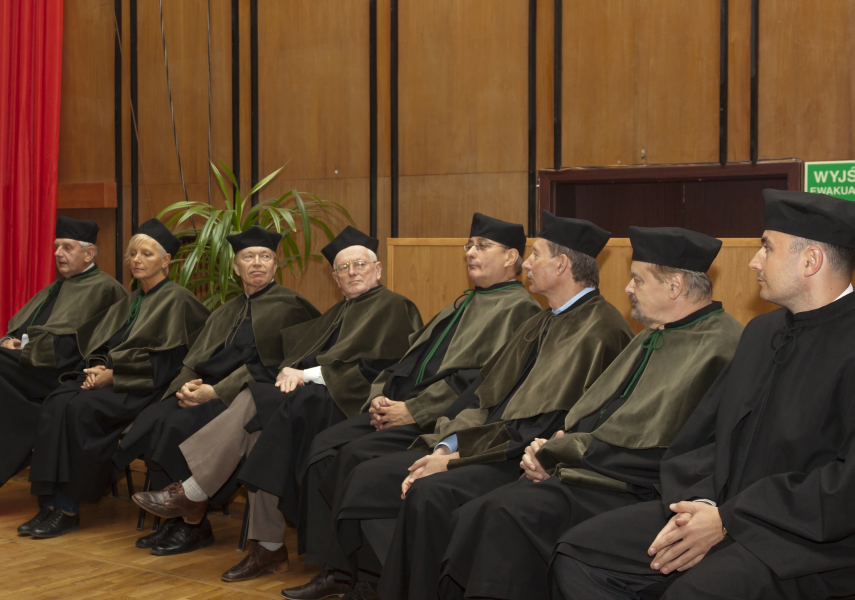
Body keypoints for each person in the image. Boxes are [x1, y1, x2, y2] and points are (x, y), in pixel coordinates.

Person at [301, 213, 637, 600]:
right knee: (377, 476)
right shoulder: (544, 320)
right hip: (488, 440)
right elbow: (485, 395)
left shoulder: (599, 329)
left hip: (520, 457)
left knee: (426, 493)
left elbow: (542, 424)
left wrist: (454, 458)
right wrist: (447, 446)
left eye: (535, 255)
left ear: (561, 264)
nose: (526, 263)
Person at [553, 191, 855, 599]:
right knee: (579, 554)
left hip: (800, 540)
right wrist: (699, 505)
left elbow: (843, 489)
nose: (754, 261)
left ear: (810, 260)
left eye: (767, 247)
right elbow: (703, 439)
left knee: (693, 591)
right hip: (718, 509)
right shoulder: (762, 333)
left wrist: (729, 519)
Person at [438, 226, 744, 600]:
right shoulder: (653, 334)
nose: (628, 288)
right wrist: (553, 450)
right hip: (589, 467)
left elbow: (667, 446)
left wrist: (560, 453)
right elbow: (600, 416)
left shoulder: (723, 345)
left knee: (509, 512)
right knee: (476, 512)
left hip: (635, 486)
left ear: (674, 286)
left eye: (637, 279)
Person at [132, 226, 423, 580]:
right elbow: (299, 356)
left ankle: (195, 492)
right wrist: (291, 370)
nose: (352, 273)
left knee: (255, 398)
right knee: (259, 434)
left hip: (348, 403)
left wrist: (304, 374)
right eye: (344, 268)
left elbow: (379, 369)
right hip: (310, 400)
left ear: (377, 270)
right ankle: (267, 547)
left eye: (360, 265)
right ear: (335, 278)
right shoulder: (338, 311)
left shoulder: (394, 306)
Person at [293, 213, 541, 577]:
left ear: (511, 257)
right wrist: (379, 396)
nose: (470, 252)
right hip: (401, 405)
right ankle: (334, 564)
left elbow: (479, 382)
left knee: (351, 458)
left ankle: (350, 573)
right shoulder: (463, 301)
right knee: (322, 448)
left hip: (438, 418)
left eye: (482, 246)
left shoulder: (520, 309)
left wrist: (414, 410)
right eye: (469, 245)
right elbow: (410, 358)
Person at [113, 225, 321, 555]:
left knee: (176, 427)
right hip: (205, 390)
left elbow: (278, 367)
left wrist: (215, 392)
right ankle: (176, 519)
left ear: (274, 264)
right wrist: (186, 387)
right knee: (153, 420)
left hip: (243, 397)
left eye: (265, 257)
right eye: (248, 257)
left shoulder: (293, 306)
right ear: (236, 267)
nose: (257, 263)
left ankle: (193, 524)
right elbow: (199, 357)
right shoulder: (227, 309)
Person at [20, 218, 211, 539]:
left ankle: (68, 508)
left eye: (147, 254)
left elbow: (170, 365)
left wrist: (112, 376)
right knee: (57, 401)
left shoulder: (178, 300)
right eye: (133, 254)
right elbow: (102, 344)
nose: (137, 260)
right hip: (115, 381)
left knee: (80, 410)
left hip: (146, 388)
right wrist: (97, 368)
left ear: (166, 260)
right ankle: (49, 503)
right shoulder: (132, 300)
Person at [0, 216, 127, 525]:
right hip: (26, 368)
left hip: (56, 373)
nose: (59, 253)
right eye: (57, 247)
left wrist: (25, 349)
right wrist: (8, 341)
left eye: (67, 248)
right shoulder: (55, 287)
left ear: (89, 253)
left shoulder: (105, 289)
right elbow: (22, 327)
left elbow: (85, 349)